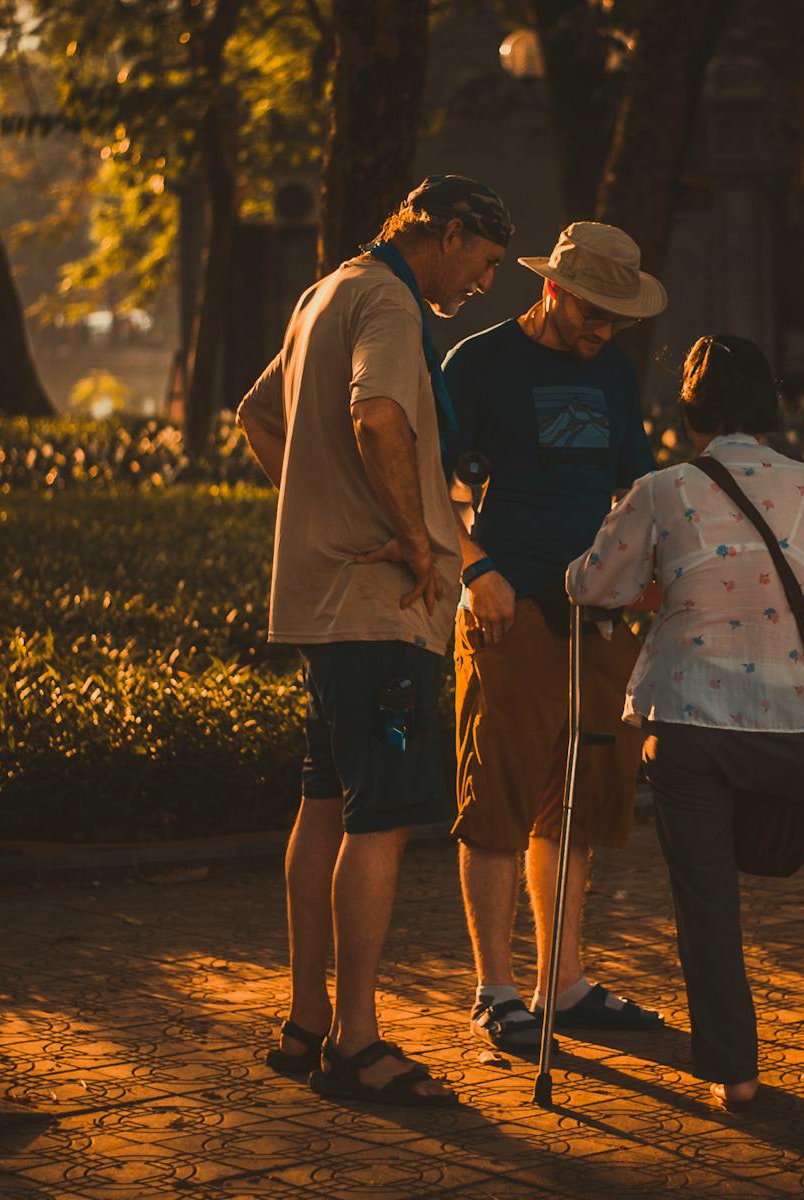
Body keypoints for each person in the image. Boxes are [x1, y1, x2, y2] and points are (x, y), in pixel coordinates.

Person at [236, 175, 512, 1105]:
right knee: (381, 820)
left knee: (324, 803)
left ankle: (305, 1023)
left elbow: (257, 418)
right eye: (486, 258)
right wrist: (402, 531)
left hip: (324, 603)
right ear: (452, 231)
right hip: (382, 609)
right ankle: (358, 1044)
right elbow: (379, 414)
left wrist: (319, 509)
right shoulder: (390, 300)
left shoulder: (326, 292)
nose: (485, 280)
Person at [566, 334, 804, 1109]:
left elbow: (589, 585)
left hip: (689, 723)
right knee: (737, 852)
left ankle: (736, 1073)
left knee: (706, 899)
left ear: (693, 409)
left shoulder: (661, 489)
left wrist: (659, 585)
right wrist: (793, 597)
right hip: (787, 738)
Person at [440, 222, 667, 1054]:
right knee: (495, 800)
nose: (606, 331)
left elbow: (635, 485)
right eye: (595, 312)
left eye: (619, 319)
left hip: (597, 618)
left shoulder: (609, 369)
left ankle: (561, 983)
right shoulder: (480, 363)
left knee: (575, 807)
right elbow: (427, 486)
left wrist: (653, 565)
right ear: (555, 291)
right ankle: (495, 990)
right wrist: (475, 569)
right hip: (509, 611)